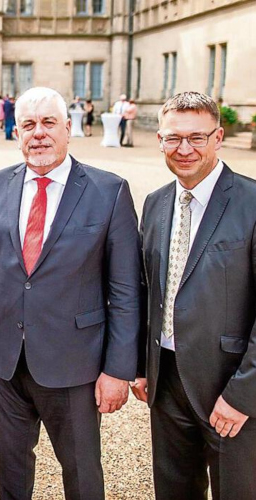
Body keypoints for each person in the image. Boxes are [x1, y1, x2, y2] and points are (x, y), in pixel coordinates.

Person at [0, 87, 142, 500]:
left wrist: (118, 370)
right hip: (5, 359)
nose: (38, 134)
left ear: (69, 129)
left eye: (49, 123)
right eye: (28, 125)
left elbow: (126, 290)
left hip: (74, 363)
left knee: (81, 472)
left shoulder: (108, 191)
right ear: (15, 132)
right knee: (12, 470)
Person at [131, 91, 256, 499]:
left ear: (218, 138)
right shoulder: (154, 204)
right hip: (165, 381)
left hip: (229, 382)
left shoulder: (251, 202)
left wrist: (242, 395)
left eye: (197, 138)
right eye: (173, 138)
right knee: (173, 490)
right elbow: (146, 288)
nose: (184, 149)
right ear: (160, 140)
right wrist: (140, 365)